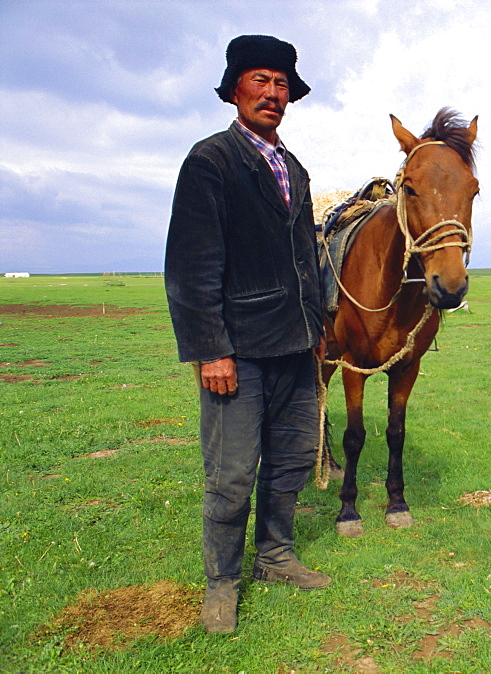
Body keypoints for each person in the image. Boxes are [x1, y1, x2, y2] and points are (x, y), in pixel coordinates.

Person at [164, 34, 329, 635]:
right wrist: (211, 348)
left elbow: (306, 258)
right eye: (261, 81)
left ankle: (277, 556)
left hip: (295, 345)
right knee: (232, 472)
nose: (273, 94)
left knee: (287, 463)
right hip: (237, 351)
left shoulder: (296, 168)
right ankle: (222, 582)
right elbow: (191, 265)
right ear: (235, 90)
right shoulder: (211, 161)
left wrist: (317, 327)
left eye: (282, 84)